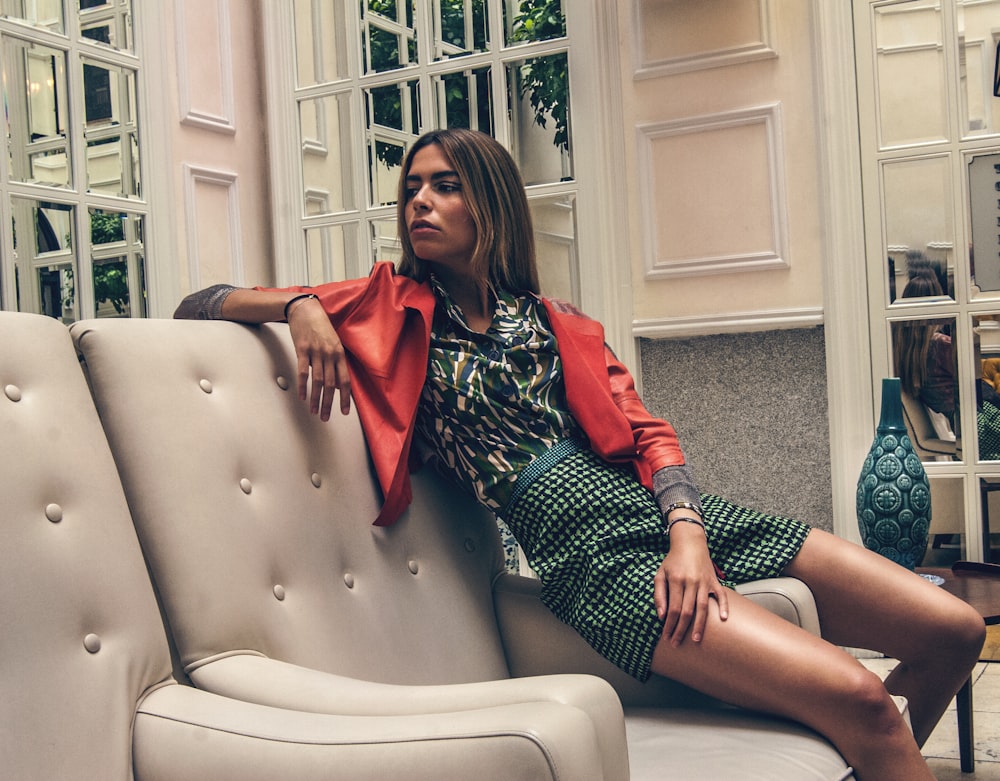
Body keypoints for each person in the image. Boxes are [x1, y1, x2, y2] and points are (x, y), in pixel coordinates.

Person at [176, 128, 984, 780]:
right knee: (862, 702)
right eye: (412, 186)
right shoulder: (390, 303)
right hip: (591, 558)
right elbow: (197, 304)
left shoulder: (556, 319)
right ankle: (878, 746)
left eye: (445, 184)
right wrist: (304, 304)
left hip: (673, 521)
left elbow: (647, 431)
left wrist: (689, 533)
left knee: (950, 630)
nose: (420, 199)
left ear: (489, 201)